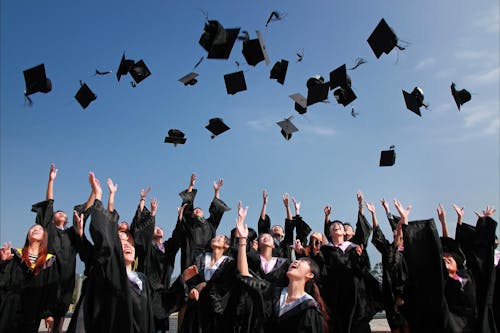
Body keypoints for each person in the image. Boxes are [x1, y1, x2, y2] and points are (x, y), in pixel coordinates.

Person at [67, 172, 187, 333]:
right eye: (120, 241)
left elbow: (159, 305)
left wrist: (182, 281)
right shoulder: (105, 272)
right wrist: (100, 197)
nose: (127, 245)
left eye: (129, 242)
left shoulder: (141, 280)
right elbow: (102, 241)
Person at [235, 202, 327, 332]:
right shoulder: (273, 293)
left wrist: (294, 210)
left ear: (310, 275)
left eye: (301, 262)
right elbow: (245, 274)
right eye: (296, 261)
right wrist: (243, 240)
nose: (295, 262)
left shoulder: (310, 308)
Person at [30, 163, 79, 332]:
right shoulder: (48, 230)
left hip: (66, 279)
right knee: (38, 315)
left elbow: (84, 215)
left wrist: (95, 193)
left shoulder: (71, 234)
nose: (61, 213)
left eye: (63, 214)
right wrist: (51, 181)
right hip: (48, 276)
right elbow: (49, 204)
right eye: (58, 213)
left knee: (59, 320)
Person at [0, 224, 59, 333]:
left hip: (32, 308)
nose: (36, 229)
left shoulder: (49, 261)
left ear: (44, 237)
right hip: (10, 307)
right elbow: (3, 280)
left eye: (40, 229)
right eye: (33, 228)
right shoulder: (14, 254)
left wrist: (49, 313)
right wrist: (4, 262)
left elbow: (50, 288)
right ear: (28, 235)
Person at [454, 204, 497, 333]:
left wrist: (484, 223)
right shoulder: (465, 270)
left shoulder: (487, 268)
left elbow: (484, 250)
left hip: (483, 311)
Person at [367, 200, 409, 333]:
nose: (396, 231)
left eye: (399, 229)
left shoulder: (411, 249)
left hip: (409, 294)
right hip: (390, 295)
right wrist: (374, 213)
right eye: (395, 230)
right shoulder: (388, 249)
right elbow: (378, 233)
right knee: (396, 327)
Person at [181, 233, 236, 333]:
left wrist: (206, 286)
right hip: (196, 307)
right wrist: (193, 289)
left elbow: (226, 287)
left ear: (226, 245)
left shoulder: (229, 263)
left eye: (220, 237)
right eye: (215, 237)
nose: (216, 238)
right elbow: (192, 279)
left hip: (215, 309)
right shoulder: (200, 258)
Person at [177, 173, 231, 271]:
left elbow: (216, 210)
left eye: (199, 210)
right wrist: (191, 186)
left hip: (207, 260)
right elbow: (186, 207)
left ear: (203, 214)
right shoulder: (189, 224)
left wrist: (217, 192)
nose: (197, 210)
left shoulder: (210, 224)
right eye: (195, 210)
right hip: (190, 258)